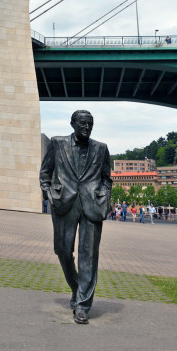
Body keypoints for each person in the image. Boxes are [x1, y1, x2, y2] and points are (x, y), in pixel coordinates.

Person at [39, 110, 112, 325]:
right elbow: (45, 172)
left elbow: (107, 178)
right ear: (72, 124)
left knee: (88, 256)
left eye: (90, 124)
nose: (87, 128)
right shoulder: (57, 143)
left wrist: (104, 197)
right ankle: (78, 287)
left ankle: (82, 305)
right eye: (82, 124)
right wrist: (49, 192)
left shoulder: (101, 148)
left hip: (92, 205)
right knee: (62, 250)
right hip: (64, 203)